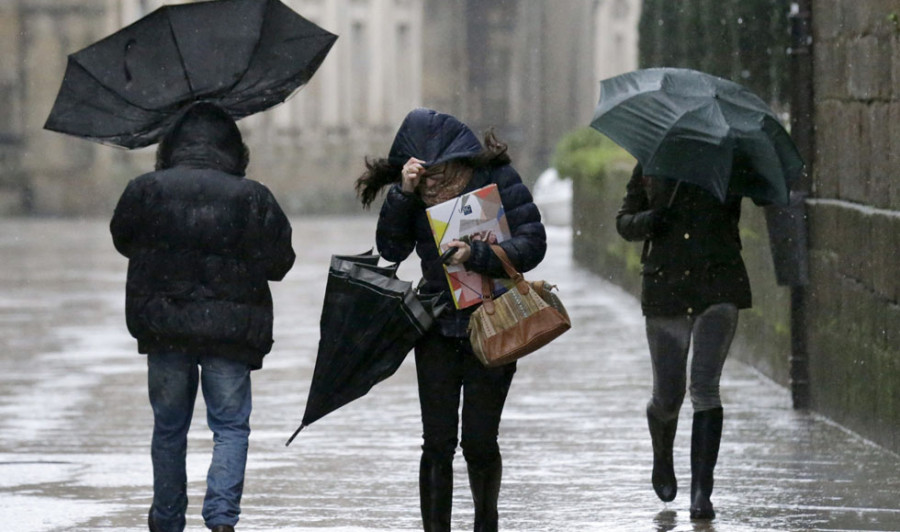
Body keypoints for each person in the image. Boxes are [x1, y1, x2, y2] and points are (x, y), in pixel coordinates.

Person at [356, 108, 546, 532]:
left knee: (479, 442)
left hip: (493, 322)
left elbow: (534, 244)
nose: (432, 179)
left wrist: (476, 255)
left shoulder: (496, 179)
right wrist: (403, 194)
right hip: (437, 328)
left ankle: (486, 521)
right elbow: (390, 248)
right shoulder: (413, 193)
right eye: (422, 171)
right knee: (437, 444)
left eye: (437, 169)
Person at [110, 102, 296, 532]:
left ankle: (168, 519)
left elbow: (124, 240)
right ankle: (222, 519)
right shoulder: (252, 197)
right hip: (230, 331)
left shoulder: (145, 190)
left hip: (165, 326)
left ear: (171, 144)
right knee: (230, 427)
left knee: (169, 428)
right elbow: (280, 262)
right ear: (234, 148)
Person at [615, 162, 752, 520]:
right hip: (667, 288)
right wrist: (650, 220)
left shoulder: (730, 161)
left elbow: (761, 197)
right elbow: (624, 221)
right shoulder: (653, 160)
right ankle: (663, 457)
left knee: (706, 388)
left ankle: (702, 492)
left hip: (718, 284)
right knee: (668, 396)